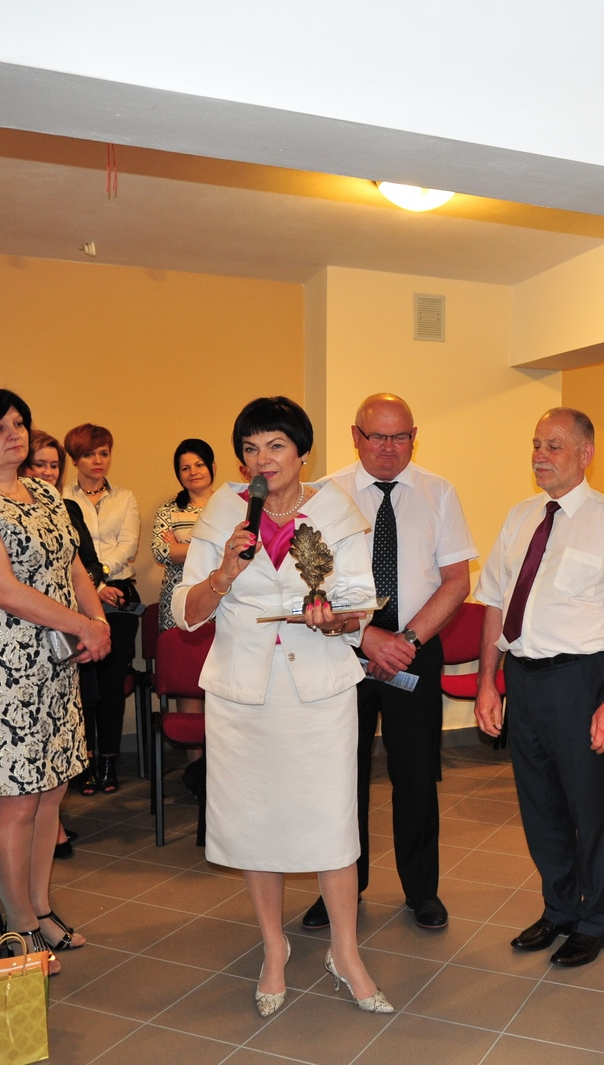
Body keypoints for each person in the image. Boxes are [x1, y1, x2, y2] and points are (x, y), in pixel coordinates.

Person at [172, 395, 391, 1017]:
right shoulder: (225, 511)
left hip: (318, 690)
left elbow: (360, 605)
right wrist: (222, 573)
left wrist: (334, 618)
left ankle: (345, 952)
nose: (262, 460)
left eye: (275, 446)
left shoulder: (335, 510)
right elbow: (186, 614)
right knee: (256, 825)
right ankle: (274, 949)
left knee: (332, 823)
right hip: (245, 692)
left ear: (302, 453)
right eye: (250, 449)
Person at [0, 388, 111, 969]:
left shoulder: (45, 494)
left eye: (19, 423)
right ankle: (19, 927)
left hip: (54, 660)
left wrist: (99, 621)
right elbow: (3, 590)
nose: (15, 434)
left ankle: (40, 908)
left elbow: (74, 567)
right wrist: (83, 625)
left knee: (50, 790)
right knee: (14, 800)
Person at [474, 407, 604, 968]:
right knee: (540, 807)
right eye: (536, 444)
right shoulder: (519, 517)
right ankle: (559, 908)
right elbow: (495, 603)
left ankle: (596, 920)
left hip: (581, 680)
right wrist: (487, 683)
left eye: (554, 445)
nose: (540, 455)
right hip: (523, 679)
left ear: (586, 453)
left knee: (587, 808)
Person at [300, 394, 474, 933]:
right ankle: (342, 889)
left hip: (414, 651)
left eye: (400, 436)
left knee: (416, 775)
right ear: (356, 436)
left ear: (414, 437)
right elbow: (308, 586)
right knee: (340, 779)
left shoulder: (439, 492)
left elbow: (457, 581)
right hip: (340, 650)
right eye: (377, 436)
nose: (388, 447)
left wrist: (405, 641)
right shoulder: (323, 496)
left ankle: (422, 890)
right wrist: (367, 637)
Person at [22, 429, 110, 861]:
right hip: (25, 639)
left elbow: (84, 565)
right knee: (30, 754)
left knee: (60, 747)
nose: (47, 473)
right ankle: (43, 834)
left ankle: (50, 824)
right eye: (39, 464)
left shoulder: (64, 506)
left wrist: (95, 619)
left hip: (68, 633)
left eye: (53, 465)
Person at [62, 423, 141, 794]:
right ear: (75, 459)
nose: (98, 460)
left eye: (104, 453)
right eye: (89, 454)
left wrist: (102, 577)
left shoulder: (125, 497)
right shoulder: (61, 497)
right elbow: (68, 552)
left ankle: (109, 762)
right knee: (82, 686)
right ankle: (86, 762)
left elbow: (128, 545)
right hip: (76, 597)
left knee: (111, 682)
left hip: (119, 595)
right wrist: (94, 586)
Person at [151, 439, 217, 632]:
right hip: (178, 601)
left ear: (212, 467)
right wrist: (214, 547)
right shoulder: (168, 510)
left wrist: (181, 547)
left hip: (221, 599)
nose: (193, 472)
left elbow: (236, 550)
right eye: (185, 468)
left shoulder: (229, 506)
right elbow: (161, 552)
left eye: (199, 465)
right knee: (176, 650)